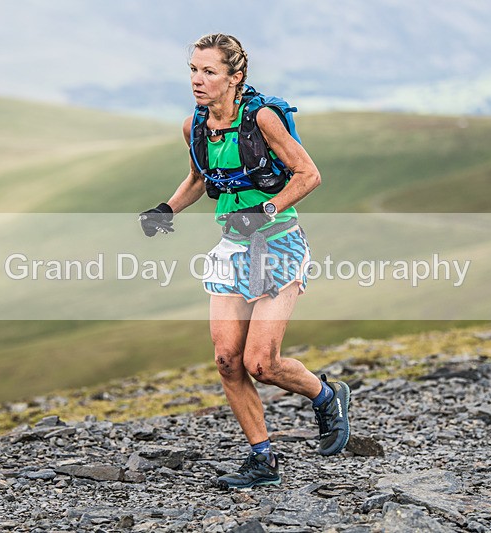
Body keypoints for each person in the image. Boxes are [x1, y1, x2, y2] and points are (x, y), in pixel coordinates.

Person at [139, 33, 351, 490]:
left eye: (209, 71)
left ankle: (327, 395)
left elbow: (309, 175)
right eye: (193, 70)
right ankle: (262, 459)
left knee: (261, 362)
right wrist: (166, 210)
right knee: (226, 360)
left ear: (235, 77)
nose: (197, 80)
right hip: (233, 248)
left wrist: (266, 210)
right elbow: (200, 177)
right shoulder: (193, 125)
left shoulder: (262, 118)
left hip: (278, 244)